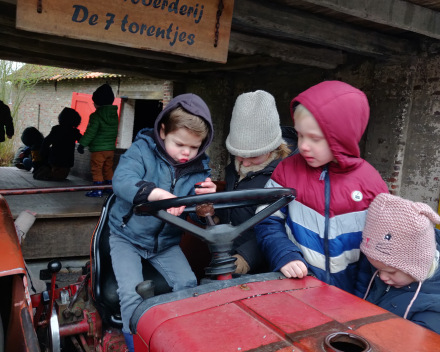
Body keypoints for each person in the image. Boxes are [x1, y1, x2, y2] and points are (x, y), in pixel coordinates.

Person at [254, 81, 389, 297]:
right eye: (300, 135)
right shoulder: (287, 170)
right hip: (297, 285)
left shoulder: (372, 184)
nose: (303, 146)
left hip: (351, 293)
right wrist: (284, 253)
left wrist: (365, 297)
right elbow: (265, 218)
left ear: (342, 137)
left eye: (315, 138)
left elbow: (378, 249)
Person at [107, 94, 216, 351]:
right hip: (127, 237)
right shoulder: (142, 150)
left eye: (195, 147)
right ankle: (137, 345)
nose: (187, 153)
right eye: (180, 144)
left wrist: (205, 206)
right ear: (163, 130)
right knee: (132, 294)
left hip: (166, 242)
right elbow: (121, 180)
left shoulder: (199, 169)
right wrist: (156, 194)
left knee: (188, 284)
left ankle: (177, 339)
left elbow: (193, 214)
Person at [219, 90, 298, 274]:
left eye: (253, 156)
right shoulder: (236, 167)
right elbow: (234, 210)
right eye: (239, 154)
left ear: (273, 147)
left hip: (260, 267)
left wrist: (246, 257)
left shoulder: (286, 175)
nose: (245, 162)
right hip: (226, 257)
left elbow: (280, 225)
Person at [361, 193, 440, 334]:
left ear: (417, 266)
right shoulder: (384, 267)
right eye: (378, 270)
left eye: (391, 272)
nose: (382, 277)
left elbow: (426, 343)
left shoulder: (432, 307)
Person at [77, 84, 119, 197]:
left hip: (98, 150)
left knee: (97, 169)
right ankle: (109, 188)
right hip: (110, 149)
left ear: (97, 102)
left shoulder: (96, 116)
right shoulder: (114, 116)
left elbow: (90, 132)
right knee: (108, 168)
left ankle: (97, 189)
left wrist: (82, 144)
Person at [36, 108, 82, 180]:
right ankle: (48, 173)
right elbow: (82, 140)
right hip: (66, 160)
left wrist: (43, 154)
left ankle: (46, 170)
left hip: (53, 159)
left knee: (57, 171)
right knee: (62, 176)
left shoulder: (56, 129)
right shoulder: (74, 132)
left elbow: (46, 141)